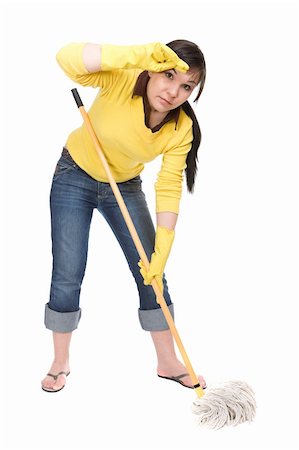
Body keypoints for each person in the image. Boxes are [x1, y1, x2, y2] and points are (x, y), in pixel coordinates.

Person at [41, 40, 207, 392]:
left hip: (125, 186)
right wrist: (138, 54)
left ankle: (167, 361)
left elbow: (168, 185)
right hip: (75, 175)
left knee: (151, 273)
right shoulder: (124, 78)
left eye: (186, 86)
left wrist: (163, 245)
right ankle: (60, 361)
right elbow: (66, 59)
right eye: (168, 76)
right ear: (153, 67)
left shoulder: (181, 129)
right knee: (68, 270)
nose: (173, 91)